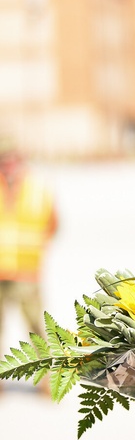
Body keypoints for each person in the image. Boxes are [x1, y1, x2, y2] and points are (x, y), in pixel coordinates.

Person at [0, 140, 57, 395]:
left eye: (13, 159)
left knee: (35, 327)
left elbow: (52, 223)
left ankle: (46, 377)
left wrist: (33, 252)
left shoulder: (38, 188)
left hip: (26, 271)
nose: (8, 165)